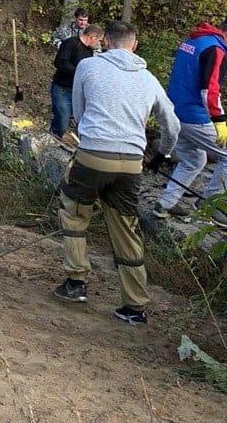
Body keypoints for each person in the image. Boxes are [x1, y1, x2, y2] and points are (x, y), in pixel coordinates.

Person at [53, 19, 179, 325]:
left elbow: (80, 113)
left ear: (105, 42)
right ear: (134, 45)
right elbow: (172, 124)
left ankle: (75, 282)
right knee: (126, 226)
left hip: (94, 154)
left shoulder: (89, 67)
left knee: (73, 212)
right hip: (132, 162)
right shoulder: (149, 79)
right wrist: (161, 153)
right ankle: (134, 306)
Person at [153, 20, 227, 223]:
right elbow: (209, 91)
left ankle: (165, 204)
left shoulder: (194, 40)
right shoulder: (215, 49)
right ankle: (210, 204)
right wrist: (219, 121)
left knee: (194, 160)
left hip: (175, 111)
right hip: (195, 116)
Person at [49, 24, 103, 139]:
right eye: (98, 40)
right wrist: (79, 71)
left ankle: (58, 135)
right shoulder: (70, 43)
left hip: (77, 92)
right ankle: (53, 134)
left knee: (76, 121)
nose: (98, 43)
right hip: (61, 88)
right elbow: (59, 63)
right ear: (92, 37)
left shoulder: (89, 52)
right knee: (63, 121)